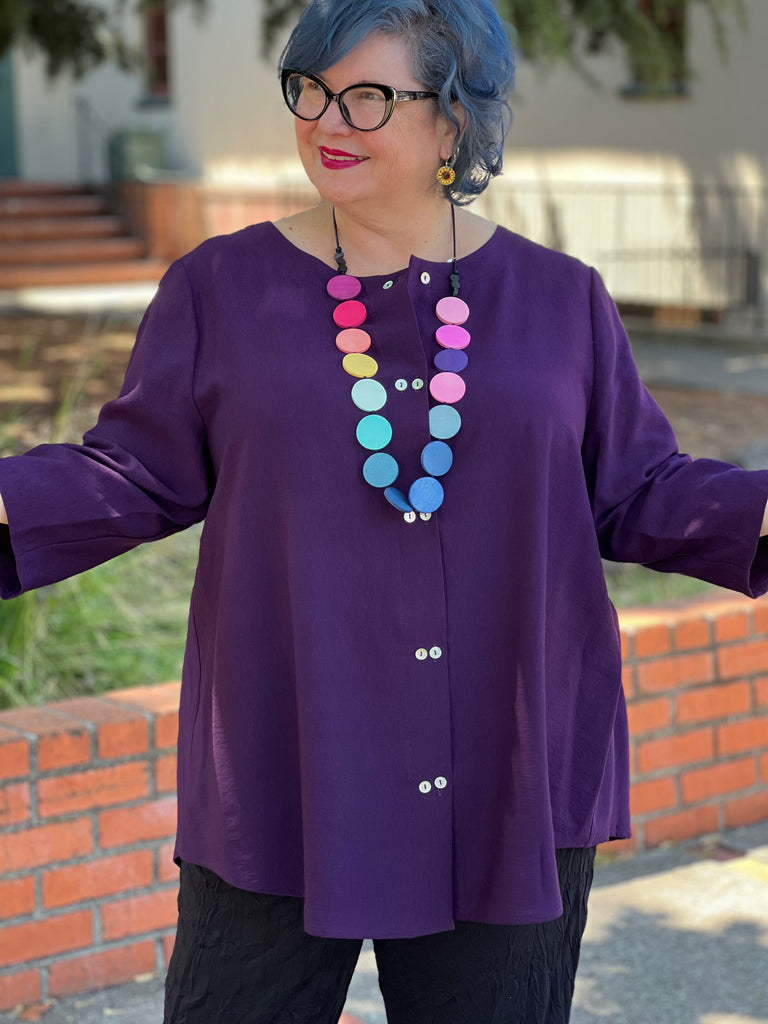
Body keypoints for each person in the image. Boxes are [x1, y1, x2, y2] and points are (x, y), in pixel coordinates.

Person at [2, 0, 768, 1020]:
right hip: (285, 760)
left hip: (506, 770)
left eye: (369, 96)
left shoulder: (561, 298)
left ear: (454, 119)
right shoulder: (218, 287)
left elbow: (636, 487)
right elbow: (135, 471)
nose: (328, 121)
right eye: (310, 91)